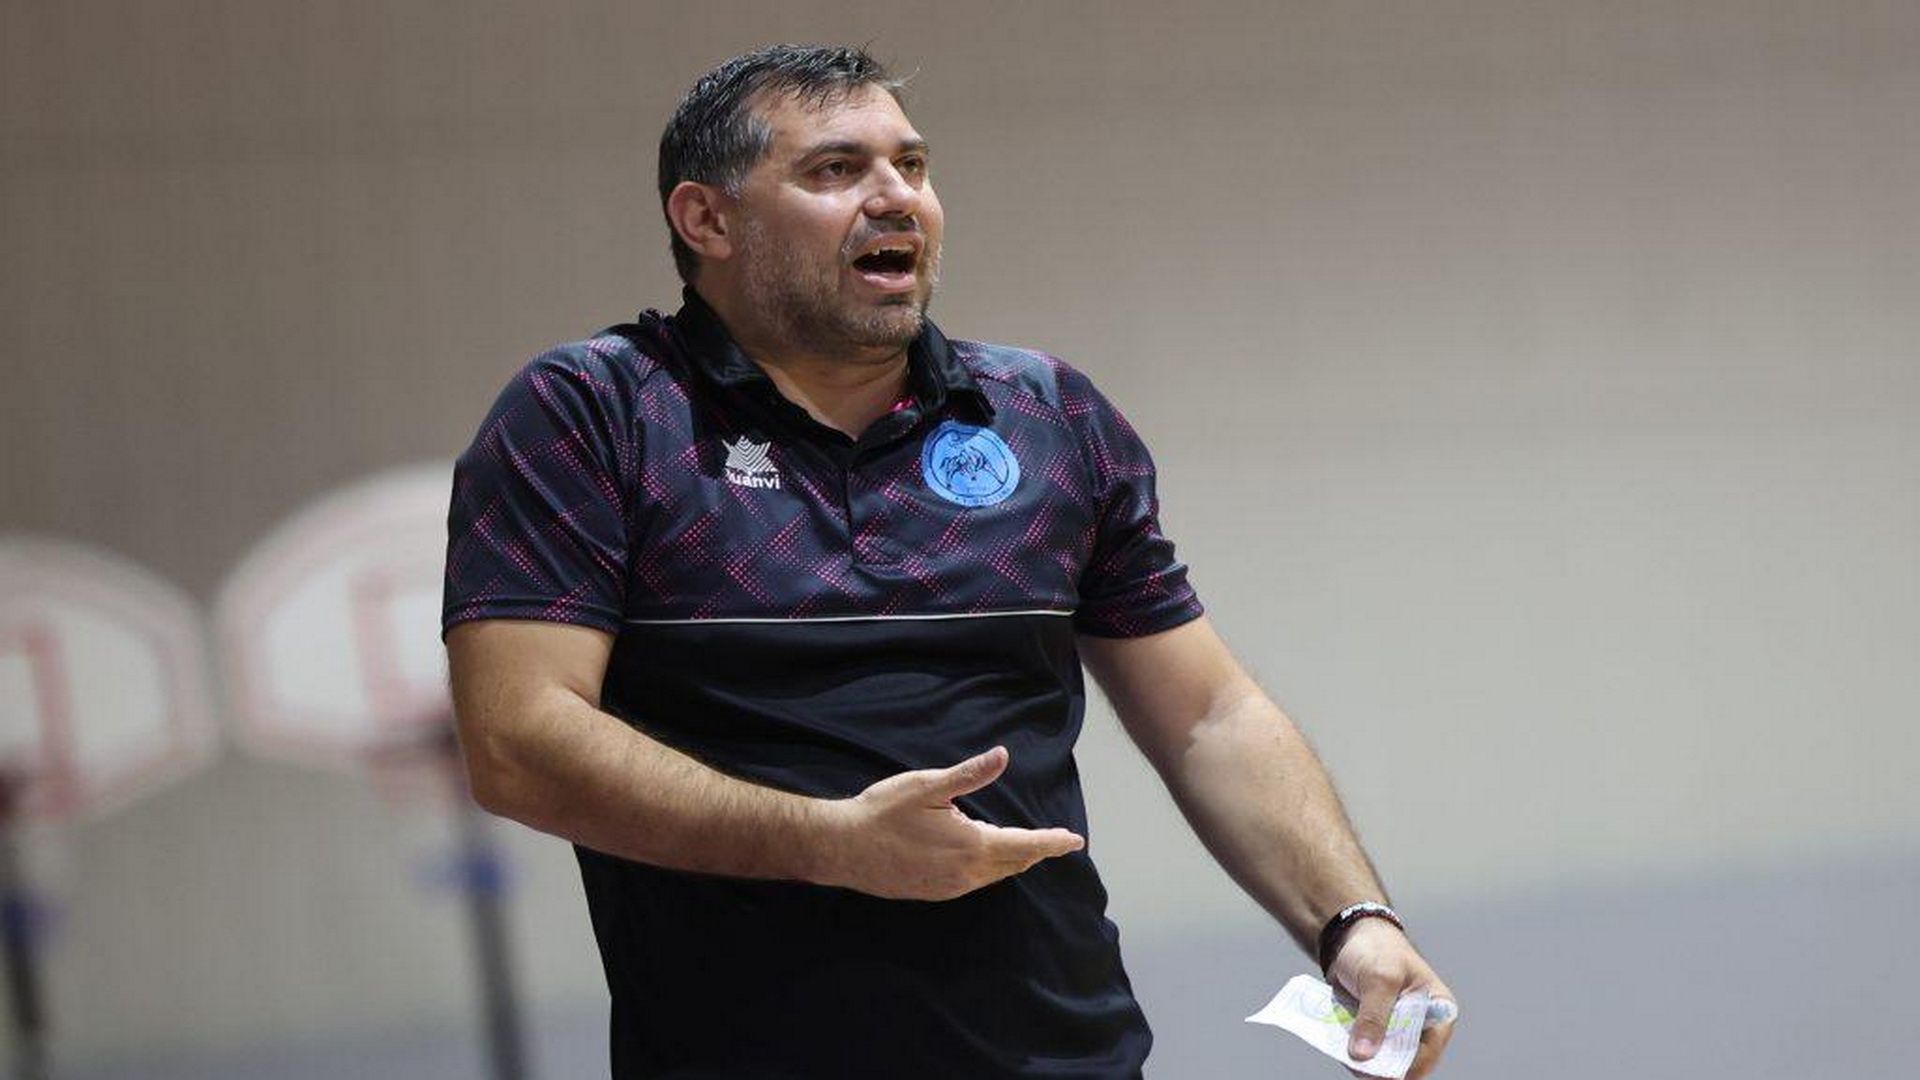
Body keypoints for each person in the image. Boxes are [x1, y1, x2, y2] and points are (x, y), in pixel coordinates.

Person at [442, 43, 1456, 1079]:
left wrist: (1352, 920)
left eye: (913, 165)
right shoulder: (596, 415)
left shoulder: (1045, 415)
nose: (897, 198)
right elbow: (519, 740)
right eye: (837, 170)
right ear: (708, 220)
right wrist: (825, 842)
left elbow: (1208, 716)